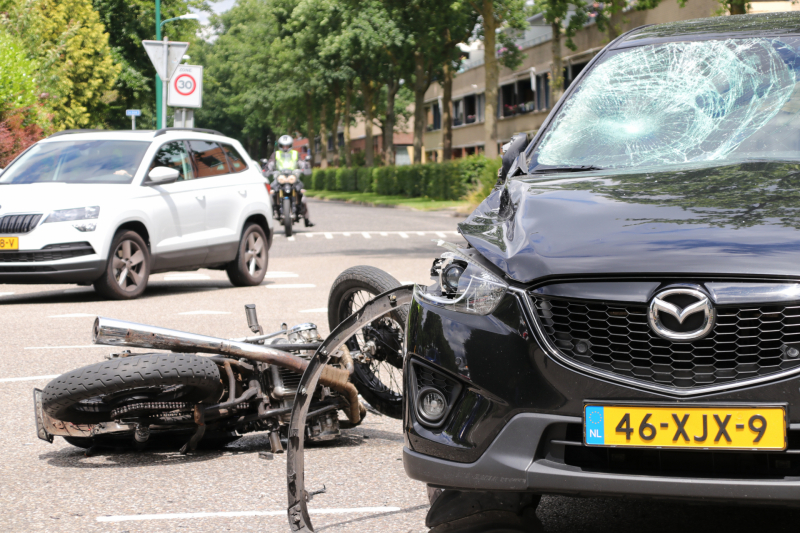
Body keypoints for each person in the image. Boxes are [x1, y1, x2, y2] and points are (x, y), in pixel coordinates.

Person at [266, 135, 314, 227]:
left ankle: (307, 219)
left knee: (302, 196)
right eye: (283, 146)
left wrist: (305, 166)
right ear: (280, 145)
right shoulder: (276, 154)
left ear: (290, 145)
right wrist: (267, 169)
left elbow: (301, 163)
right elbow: (271, 163)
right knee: (271, 195)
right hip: (280, 178)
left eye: (287, 145)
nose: (285, 147)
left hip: (293, 177)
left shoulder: (295, 153)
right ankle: (269, 219)